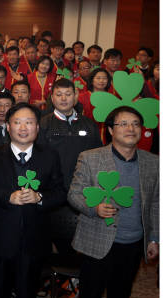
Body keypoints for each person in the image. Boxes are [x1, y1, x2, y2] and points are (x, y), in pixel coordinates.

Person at [69, 107, 159, 298]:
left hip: (132, 243)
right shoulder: (90, 157)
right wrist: (93, 208)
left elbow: (155, 203)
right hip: (97, 240)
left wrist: (155, 238)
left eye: (135, 124)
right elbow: (74, 194)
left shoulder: (153, 162)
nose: (130, 129)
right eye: (123, 124)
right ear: (110, 130)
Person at [0, 103, 66, 298]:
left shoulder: (49, 155)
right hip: (0, 235)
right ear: (8, 127)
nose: (23, 127)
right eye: (17, 122)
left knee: (27, 291)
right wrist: (7, 197)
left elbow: (60, 193)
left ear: (37, 127)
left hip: (34, 237)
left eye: (29, 122)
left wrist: (40, 197)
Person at [38, 78, 103, 254]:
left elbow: (98, 158)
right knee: (50, 241)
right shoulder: (43, 124)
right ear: (52, 97)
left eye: (68, 94)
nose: (64, 98)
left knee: (79, 241)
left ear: (75, 96)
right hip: (53, 192)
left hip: (83, 191)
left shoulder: (89, 125)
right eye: (59, 94)